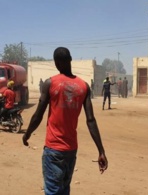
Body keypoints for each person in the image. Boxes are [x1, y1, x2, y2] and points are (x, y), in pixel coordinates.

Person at [22, 47, 108, 195]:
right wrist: (101, 150)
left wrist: (27, 134)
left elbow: (38, 115)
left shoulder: (50, 83)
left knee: (53, 191)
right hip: (71, 150)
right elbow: (91, 120)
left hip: (54, 149)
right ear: (70, 59)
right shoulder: (84, 86)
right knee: (64, 189)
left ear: (56, 63)